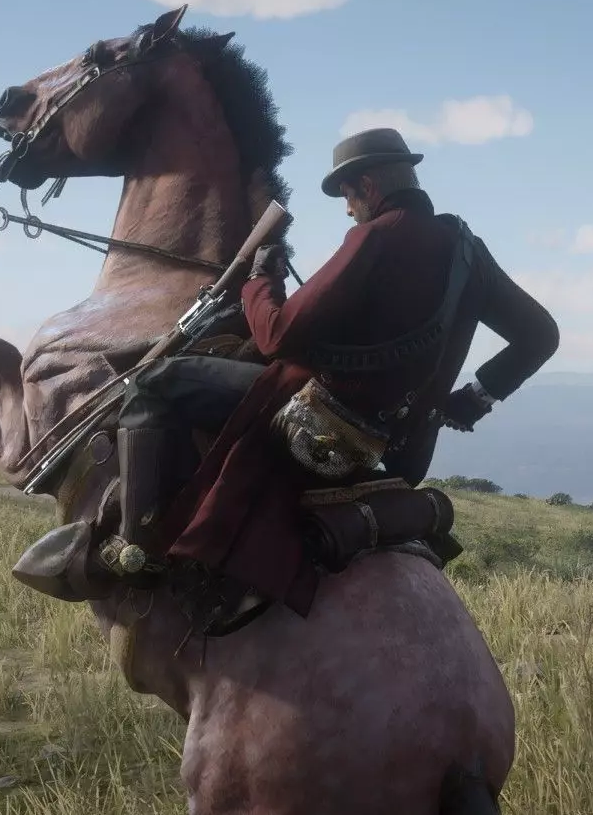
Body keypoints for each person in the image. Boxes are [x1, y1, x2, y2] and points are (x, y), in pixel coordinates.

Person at [116, 125, 560, 629]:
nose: (348, 210)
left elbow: (276, 335)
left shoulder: (374, 236)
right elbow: (540, 336)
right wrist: (471, 400)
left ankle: (135, 548)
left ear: (368, 186)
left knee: (152, 383)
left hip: (317, 426)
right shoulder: (467, 250)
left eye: (348, 196)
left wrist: (260, 281)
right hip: (404, 452)